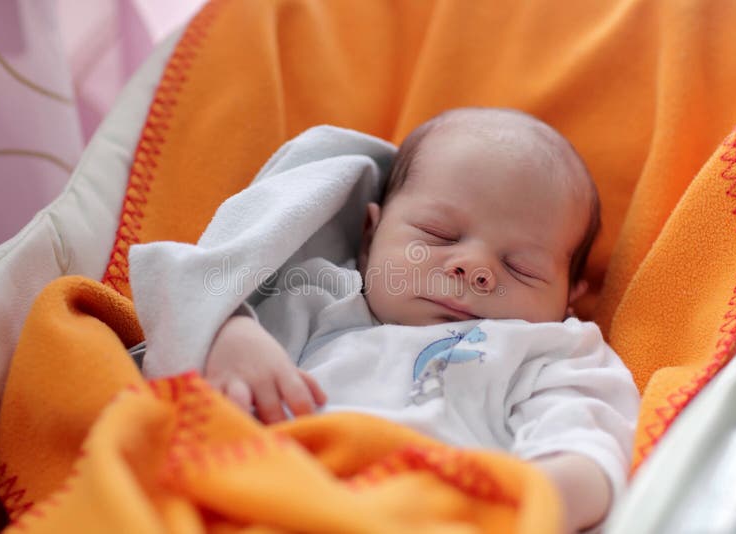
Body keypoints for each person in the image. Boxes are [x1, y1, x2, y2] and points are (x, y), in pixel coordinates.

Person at [203, 107, 640, 533]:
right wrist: (229, 332)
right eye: (439, 235)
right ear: (369, 237)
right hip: (281, 493)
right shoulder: (316, 303)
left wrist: (548, 494)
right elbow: (197, 337)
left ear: (567, 300)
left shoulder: (547, 350)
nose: (475, 268)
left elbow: (587, 442)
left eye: (521, 267)